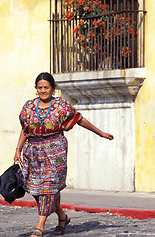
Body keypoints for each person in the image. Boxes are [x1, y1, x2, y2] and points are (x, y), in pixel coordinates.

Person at [14, 72, 114, 237]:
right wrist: (18, 149)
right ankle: (62, 217)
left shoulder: (61, 105)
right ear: (36, 89)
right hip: (33, 153)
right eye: (40, 88)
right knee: (38, 190)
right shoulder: (29, 107)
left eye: (46, 87)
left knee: (48, 188)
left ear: (53, 89)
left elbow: (79, 119)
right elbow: (25, 130)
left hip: (55, 152)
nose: (43, 90)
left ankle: (40, 226)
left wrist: (100, 133)